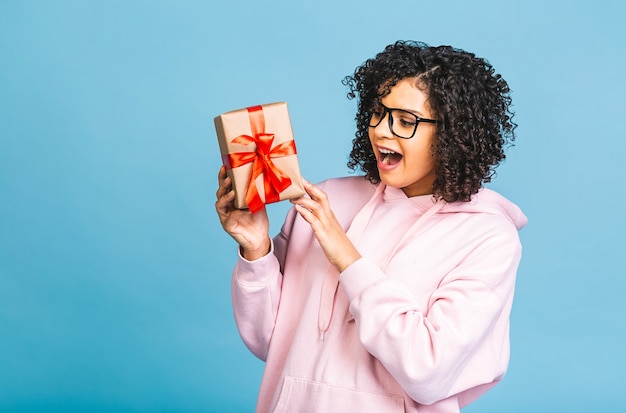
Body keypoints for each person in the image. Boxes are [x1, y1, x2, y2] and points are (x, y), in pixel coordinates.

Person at [215, 40, 527, 413]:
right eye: (377, 113)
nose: (380, 131)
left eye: (406, 121)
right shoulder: (324, 202)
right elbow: (270, 341)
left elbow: (427, 370)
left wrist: (346, 256)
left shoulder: (487, 238)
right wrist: (257, 250)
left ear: (452, 134)